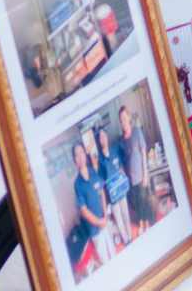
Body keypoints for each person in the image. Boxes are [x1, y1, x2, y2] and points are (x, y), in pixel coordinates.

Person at [71, 139, 112, 267]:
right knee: (105, 260)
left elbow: (102, 194)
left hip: (104, 220)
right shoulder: (77, 184)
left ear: (85, 154)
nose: (80, 157)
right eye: (76, 155)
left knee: (112, 250)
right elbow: (84, 211)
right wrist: (100, 222)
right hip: (95, 230)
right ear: (74, 160)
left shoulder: (93, 171)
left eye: (81, 153)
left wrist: (105, 216)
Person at [95, 122, 131, 250]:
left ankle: (130, 236)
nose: (103, 139)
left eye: (104, 136)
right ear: (99, 141)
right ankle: (126, 239)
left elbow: (121, 167)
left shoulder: (115, 150)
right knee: (118, 217)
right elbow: (100, 178)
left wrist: (124, 178)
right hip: (112, 194)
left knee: (126, 213)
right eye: (100, 137)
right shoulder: (99, 160)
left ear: (107, 137)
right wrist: (105, 185)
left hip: (121, 189)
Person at [118, 101, 152, 236]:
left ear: (129, 118)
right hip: (130, 180)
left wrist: (146, 175)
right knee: (136, 204)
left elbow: (143, 152)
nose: (124, 122)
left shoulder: (137, 131)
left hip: (141, 176)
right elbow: (123, 162)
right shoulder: (121, 141)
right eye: (121, 120)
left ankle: (147, 224)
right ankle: (141, 224)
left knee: (144, 202)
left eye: (125, 118)